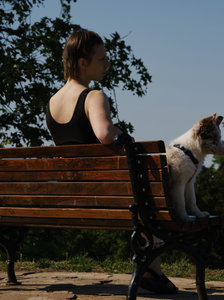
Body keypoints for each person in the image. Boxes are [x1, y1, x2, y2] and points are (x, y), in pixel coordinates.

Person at [46, 29, 178, 294]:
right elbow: (104, 133)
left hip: (68, 194)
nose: (107, 64)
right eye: (101, 59)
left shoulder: (52, 101)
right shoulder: (94, 96)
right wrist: (126, 138)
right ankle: (152, 271)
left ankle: (154, 272)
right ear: (82, 63)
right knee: (150, 198)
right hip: (103, 194)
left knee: (144, 197)